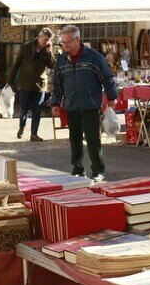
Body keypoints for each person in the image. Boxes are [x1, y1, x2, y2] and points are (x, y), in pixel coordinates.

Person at [50, 25, 118, 182]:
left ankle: (98, 170)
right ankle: (78, 169)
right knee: (74, 139)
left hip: (90, 105)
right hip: (71, 105)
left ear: (78, 39)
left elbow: (106, 77)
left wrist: (111, 96)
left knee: (93, 139)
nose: (65, 45)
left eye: (68, 42)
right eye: (63, 42)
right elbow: (57, 84)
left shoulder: (94, 57)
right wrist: (55, 103)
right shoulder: (61, 60)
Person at [7, 28, 55, 141]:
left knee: (37, 110)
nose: (46, 42)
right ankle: (22, 126)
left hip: (40, 85)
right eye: (45, 39)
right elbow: (16, 64)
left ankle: (34, 134)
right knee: (24, 109)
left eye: (48, 40)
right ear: (39, 37)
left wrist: (49, 52)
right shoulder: (26, 47)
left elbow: (51, 65)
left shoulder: (47, 49)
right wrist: (9, 81)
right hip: (25, 83)